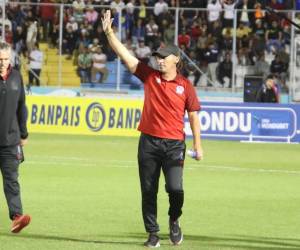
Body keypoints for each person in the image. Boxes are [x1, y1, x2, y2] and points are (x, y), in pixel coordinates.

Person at [102, 10, 204, 248]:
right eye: (158, 56)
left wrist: (198, 144)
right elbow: (125, 56)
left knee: (175, 189)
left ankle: (174, 219)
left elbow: (193, 115)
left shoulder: (185, 86)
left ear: (175, 60)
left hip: (174, 145)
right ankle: (153, 234)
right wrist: (109, 33)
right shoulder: (149, 77)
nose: (159, 60)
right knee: (148, 191)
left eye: (164, 57)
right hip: (148, 142)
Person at [0, 41, 31, 233]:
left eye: (5, 59)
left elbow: (22, 108)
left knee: (12, 181)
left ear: (10, 58)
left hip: (11, 141)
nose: (2, 62)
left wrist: (24, 133)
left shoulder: (17, 77)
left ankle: (17, 218)